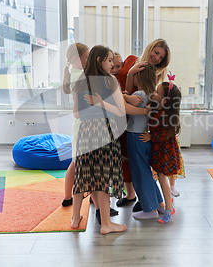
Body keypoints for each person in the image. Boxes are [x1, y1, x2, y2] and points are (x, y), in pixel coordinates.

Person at [71, 45, 151, 234]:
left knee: (82, 175)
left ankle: (75, 219)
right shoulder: (110, 81)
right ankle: (106, 224)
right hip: (104, 133)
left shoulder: (81, 82)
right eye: (108, 60)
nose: (111, 64)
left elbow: (76, 114)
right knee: (101, 178)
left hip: (85, 132)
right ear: (99, 61)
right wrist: (102, 103)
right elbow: (120, 111)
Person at [115, 39, 171, 209]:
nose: (157, 57)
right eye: (156, 52)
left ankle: (147, 201)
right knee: (127, 158)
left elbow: (144, 102)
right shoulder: (131, 59)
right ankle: (133, 194)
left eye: (160, 57)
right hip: (122, 113)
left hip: (131, 112)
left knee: (139, 163)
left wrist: (126, 95)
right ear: (150, 48)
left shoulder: (152, 76)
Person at [126, 64, 166, 219]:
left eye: (134, 75)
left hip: (135, 136)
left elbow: (123, 107)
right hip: (144, 136)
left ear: (138, 77)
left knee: (140, 174)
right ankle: (159, 205)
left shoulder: (138, 94)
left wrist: (123, 96)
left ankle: (150, 210)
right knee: (146, 173)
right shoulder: (151, 94)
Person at [141, 81, 182, 224]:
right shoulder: (159, 109)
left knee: (162, 178)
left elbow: (164, 135)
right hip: (160, 151)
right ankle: (167, 203)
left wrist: (151, 136)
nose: (154, 93)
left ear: (165, 100)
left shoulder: (164, 115)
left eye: (157, 92)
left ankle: (169, 209)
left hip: (165, 153)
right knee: (160, 178)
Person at [61, 43, 89, 208]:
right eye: (86, 57)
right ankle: (93, 198)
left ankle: (67, 197)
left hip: (80, 124)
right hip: (83, 123)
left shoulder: (75, 74)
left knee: (75, 162)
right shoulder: (81, 76)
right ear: (75, 59)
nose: (88, 60)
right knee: (84, 163)